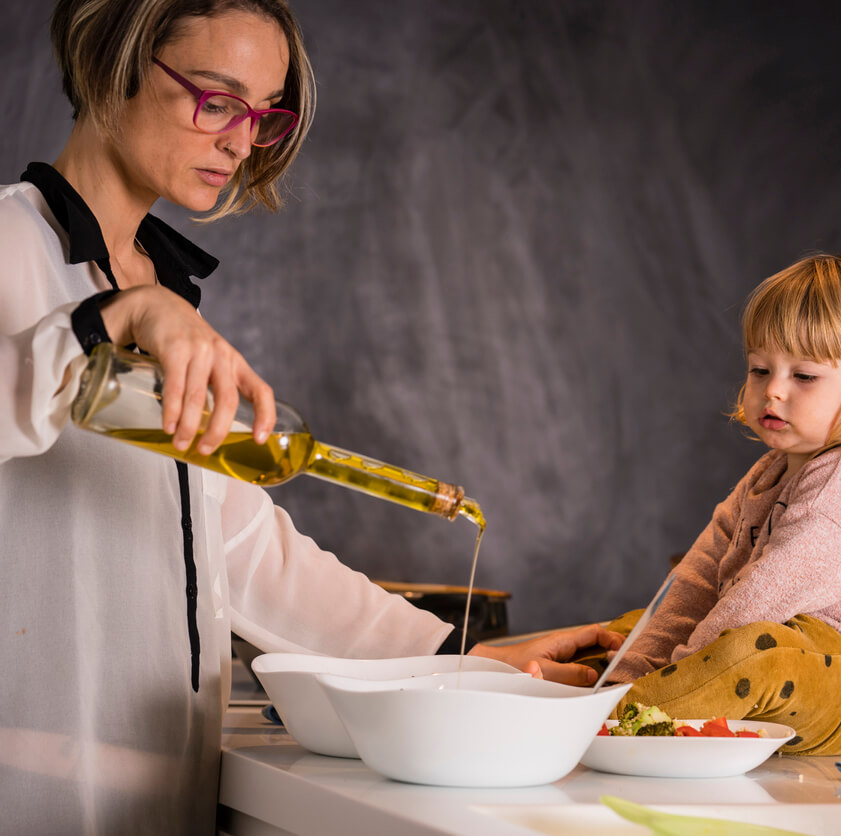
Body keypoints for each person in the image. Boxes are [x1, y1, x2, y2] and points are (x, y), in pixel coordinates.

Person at [0, 1, 619, 833]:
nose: (241, 141)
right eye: (216, 100)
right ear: (116, 66)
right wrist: (110, 320)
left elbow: (242, 548)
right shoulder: (12, 246)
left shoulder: (165, 294)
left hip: (158, 789)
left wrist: (455, 660)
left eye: (265, 115)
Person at [604, 253, 841, 756]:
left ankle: (618, 724)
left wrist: (646, 691)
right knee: (634, 628)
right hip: (786, 651)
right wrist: (627, 674)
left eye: (804, 376)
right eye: (760, 369)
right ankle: (607, 702)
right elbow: (695, 585)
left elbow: (755, 604)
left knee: (751, 650)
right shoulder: (770, 471)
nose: (773, 391)